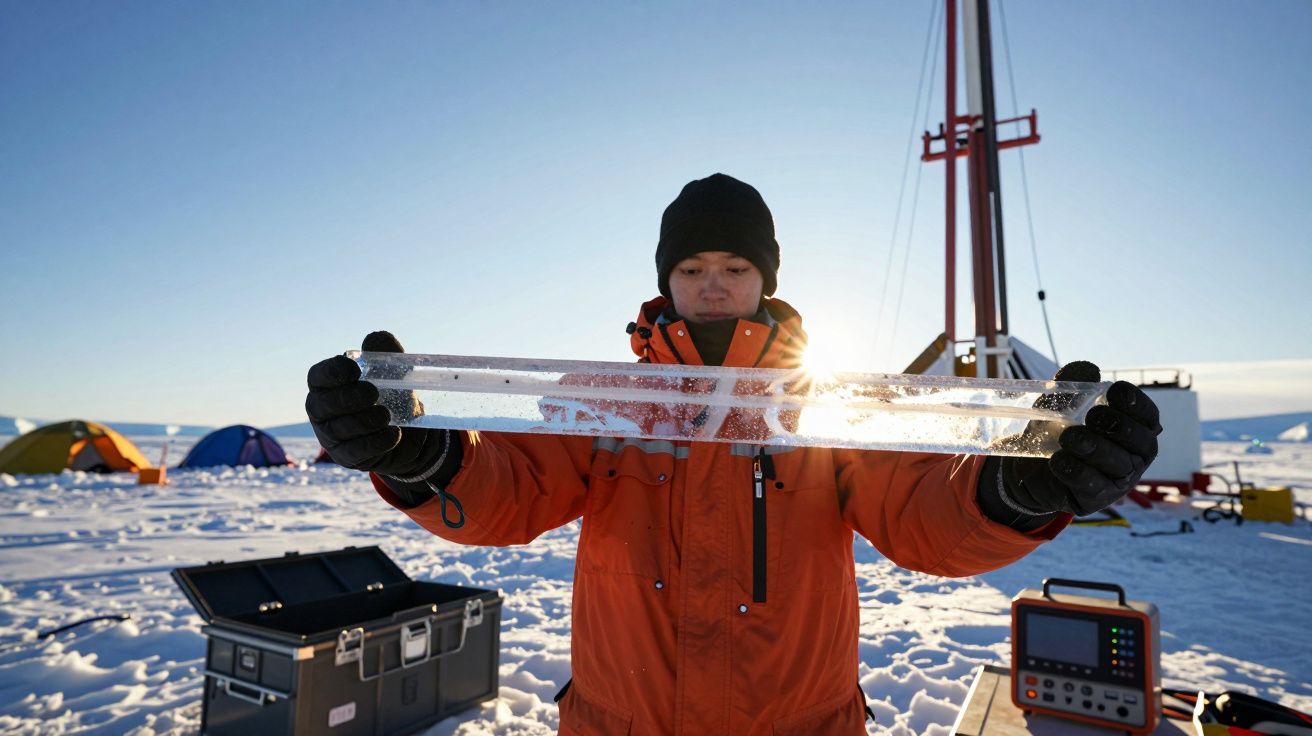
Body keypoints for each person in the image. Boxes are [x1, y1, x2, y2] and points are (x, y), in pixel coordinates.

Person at [305, 173, 1160, 735]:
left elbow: (924, 518)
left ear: (766, 280)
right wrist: (424, 457)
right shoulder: (608, 401)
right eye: (693, 266)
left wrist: (1016, 489)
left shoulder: (825, 409)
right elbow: (508, 491)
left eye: (736, 265)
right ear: (666, 280)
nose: (713, 283)